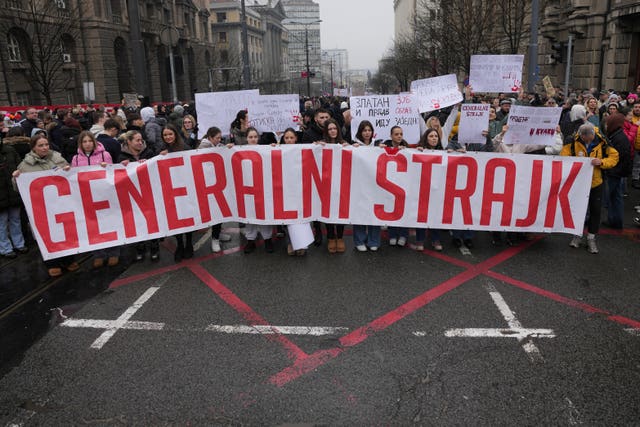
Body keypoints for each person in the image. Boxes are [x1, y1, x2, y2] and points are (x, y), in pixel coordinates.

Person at [12, 134, 78, 276]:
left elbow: (72, 176)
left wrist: (68, 170)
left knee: (66, 232)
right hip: (41, 208)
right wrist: (16, 178)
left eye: (46, 145)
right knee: (47, 234)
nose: (44, 148)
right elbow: (18, 188)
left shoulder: (58, 159)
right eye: (40, 145)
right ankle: (52, 263)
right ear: (33, 148)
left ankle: (68, 259)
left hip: (61, 204)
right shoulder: (25, 166)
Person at [561, 123, 619, 254]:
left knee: (595, 210)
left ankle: (591, 238)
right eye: (585, 139)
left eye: (590, 138)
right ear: (581, 136)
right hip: (578, 183)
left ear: (593, 135)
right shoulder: (571, 141)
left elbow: (614, 157)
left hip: (596, 183)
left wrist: (602, 162)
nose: (588, 141)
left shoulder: (603, 141)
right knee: (578, 210)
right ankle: (577, 235)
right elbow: (563, 157)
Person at [118, 130, 160, 261]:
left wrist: (148, 162)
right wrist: (121, 166)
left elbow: (157, 168)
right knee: (137, 222)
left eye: (141, 140)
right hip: (132, 196)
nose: (140, 143)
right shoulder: (121, 157)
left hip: (149, 193)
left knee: (152, 220)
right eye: (137, 140)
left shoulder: (149, 153)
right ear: (129, 142)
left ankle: (154, 246)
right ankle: (140, 247)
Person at [160, 124, 194, 262]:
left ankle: (189, 243)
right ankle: (180, 244)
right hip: (170, 190)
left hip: (185, 189)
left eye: (170, 134)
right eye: (165, 135)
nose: (168, 137)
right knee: (176, 218)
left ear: (175, 134)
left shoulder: (185, 148)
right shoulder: (161, 150)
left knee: (187, 216)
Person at [198, 127, 233, 253]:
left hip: (217, 184)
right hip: (209, 185)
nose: (219, 140)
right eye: (217, 138)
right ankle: (215, 239)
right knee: (215, 211)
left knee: (220, 211)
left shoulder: (217, 146)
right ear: (210, 138)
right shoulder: (203, 148)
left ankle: (217, 234)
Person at [315, 119, 347, 253]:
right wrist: (316, 146)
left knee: (340, 211)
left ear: (338, 130)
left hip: (341, 184)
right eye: (330, 129)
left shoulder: (344, 144)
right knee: (327, 211)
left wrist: (354, 148)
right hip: (326, 184)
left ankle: (339, 237)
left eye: (335, 128)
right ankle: (330, 237)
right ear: (326, 131)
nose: (333, 131)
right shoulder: (321, 144)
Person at [243, 127, 274, 254]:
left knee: (264, 212)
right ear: (246, 138)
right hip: (247, 188)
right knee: (249, 214)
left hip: (262, 186)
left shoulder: (265, 150)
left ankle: (267, 239)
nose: (253, 139)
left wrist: (275, 148)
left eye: (255, 137)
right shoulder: (240, 151)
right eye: (250, 137)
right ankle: (250, 240)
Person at [351, 121, 381, 252]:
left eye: (369, 130)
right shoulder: (354, 146)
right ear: (360, 132)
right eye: (364, 130)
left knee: (375, 212)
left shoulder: (379, 144)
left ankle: (374, 240)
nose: (367, 133)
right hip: (360, 185)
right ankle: (360, 240)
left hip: (376, 185)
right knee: (360, 212)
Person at [379, 126, 409, 246]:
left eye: (401, 134)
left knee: (403, 209)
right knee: (391, 207)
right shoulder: (385, 145)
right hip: (389, 183)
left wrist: (405, 150)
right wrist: (380, 148)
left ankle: (403, 235)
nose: (399, 136)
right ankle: (392, 234)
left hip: (403, 183)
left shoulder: (406, 146)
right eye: (396, 134)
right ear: (391, 135)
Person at [415, 128, 445, 251]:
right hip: (422, 189)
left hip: (437, 189)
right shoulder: (419, 151)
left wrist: (456, 153)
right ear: (426, 138)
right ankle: (420, 240)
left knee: (435, 215)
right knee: (422, 215)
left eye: (436, 136)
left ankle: (435, 239)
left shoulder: (444, 152)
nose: (434, 138)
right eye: (431, 136)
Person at [602, 112, 631, 229]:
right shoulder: (617, 135)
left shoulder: (619, 138)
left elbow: (618, 157)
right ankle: (615, 220)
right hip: (617, 172)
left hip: (614, 172)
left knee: (610, 198)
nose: (606, 125)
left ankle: (614, 220)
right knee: (616, 198)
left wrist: (611, 170)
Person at [0, 136, 27, 258]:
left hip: (13, 192)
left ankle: (19, 244)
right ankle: (5, 248)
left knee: (15, 220)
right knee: (2, 223)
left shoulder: (10, 150)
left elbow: (20, 167)